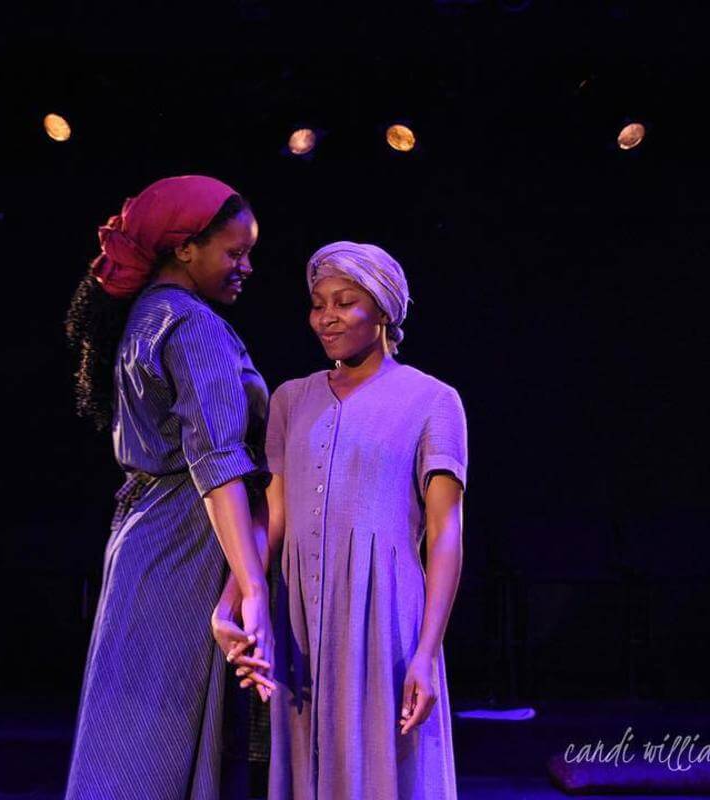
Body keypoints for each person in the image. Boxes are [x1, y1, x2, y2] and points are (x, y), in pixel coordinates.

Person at [63, 175, 274, 800]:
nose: (246, 267)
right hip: (185, 539)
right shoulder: (191, 325)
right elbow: (216, 462)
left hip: (145, 537)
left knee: (132, 722)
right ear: (185, 248)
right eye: (234, 253)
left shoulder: (145, 318)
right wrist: (253, 582)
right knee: (156, 727)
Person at [259, 241, 467, 799]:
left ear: (381, 310)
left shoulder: (433, 400)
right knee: (305, 759)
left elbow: (445, 536)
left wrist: (425, 651)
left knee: (383, 761)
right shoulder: (289, 399)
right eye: (318, 302)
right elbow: (274, 518)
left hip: (384, 615)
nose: (326, 316)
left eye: (345, 302)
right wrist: (245, 598)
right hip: (298, 612)